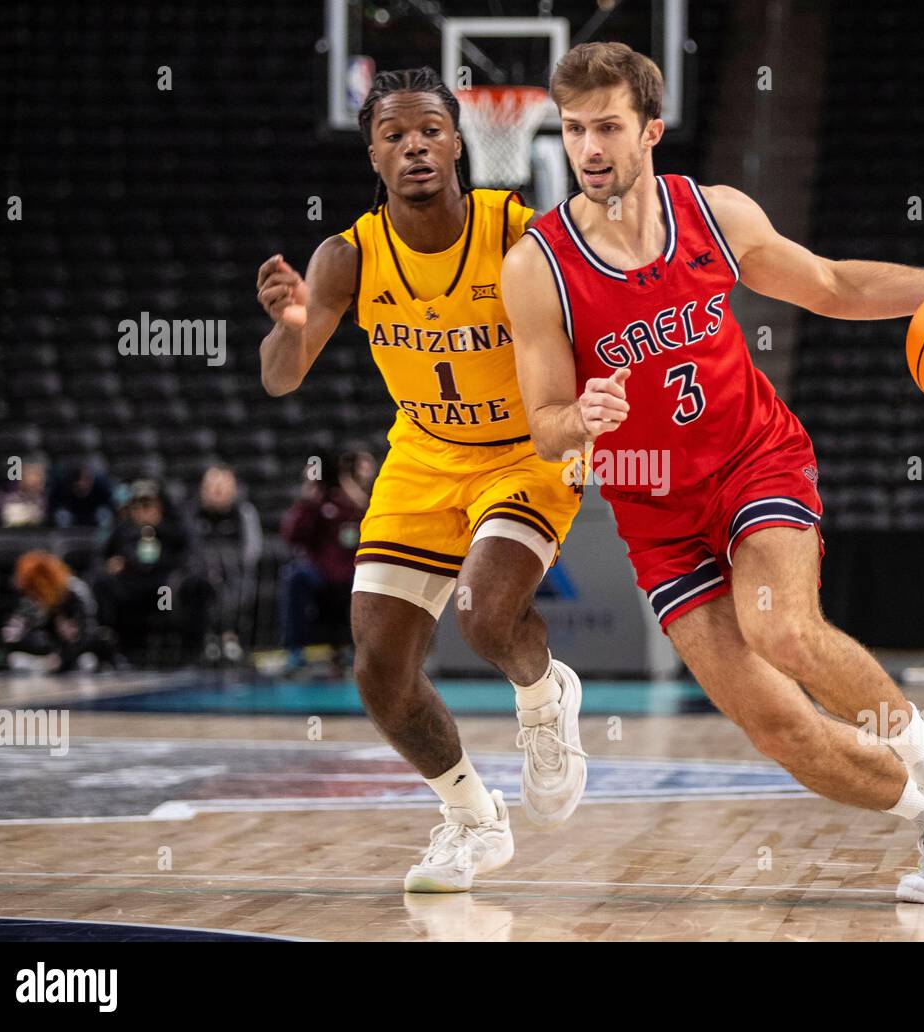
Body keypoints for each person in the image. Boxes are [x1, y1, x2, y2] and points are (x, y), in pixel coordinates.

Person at [503, 42, 924, 905]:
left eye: (607, 126)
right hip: (656, 514)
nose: (589, 147)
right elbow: (545, 430)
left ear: (651, 131)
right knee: (778, 724)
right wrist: (581, 420)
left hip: (755, 459)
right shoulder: (537, 265)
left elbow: (830, 284)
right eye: (572, 129)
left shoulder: (713, 214)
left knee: (781, 629)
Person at [256, 68, 587, 893]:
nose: (415, 147)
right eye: (396, 134)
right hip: (424, 455)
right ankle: (473, 819)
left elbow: (591, 327)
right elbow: (280, 379)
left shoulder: (519, 233)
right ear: (372, 151)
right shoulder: (347, 255)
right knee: (377, 665)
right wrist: (289, 329)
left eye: (431, 130)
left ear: (458, 139)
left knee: (482, 613)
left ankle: (545, 700)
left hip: (525, 451)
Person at [278, 450, 374, 672]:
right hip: (319, 572)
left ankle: (355, 649)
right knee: (296, 576)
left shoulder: (353, 502)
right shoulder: (314, 503)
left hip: (351, 572)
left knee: (367, 581)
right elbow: (292, 535)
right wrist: (307, 501)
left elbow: (372, 524)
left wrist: (348, 488)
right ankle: (295, 651)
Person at [92, 480, 209, 659]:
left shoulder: (173, 529)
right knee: (104, 584)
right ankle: (112, 643)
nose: (144, 510)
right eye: (139, 505)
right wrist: (111, 564)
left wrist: (157, 527)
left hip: (164, 586)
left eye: (149, 504)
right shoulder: (124, 530)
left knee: (172, 595)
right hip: (131, 586)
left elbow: (190, 555)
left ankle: (175, 643)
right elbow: (101, 557)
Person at [186, 464, 262, 663]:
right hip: (201, 574)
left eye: (222, 486)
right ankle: (207, 638)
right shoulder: (192, 513)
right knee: (193, 583)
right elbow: (189, 548)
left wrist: (232, 566)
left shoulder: (244, 512)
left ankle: (230, 636)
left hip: (235, 572)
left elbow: (252, 550)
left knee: (236, 580)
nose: (217, 491)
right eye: (212, 486)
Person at [1, 551, 111, 673]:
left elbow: (91, 632)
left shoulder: (76, 591)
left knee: (87, 661)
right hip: (50, 655)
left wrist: (68, 645)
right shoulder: (32, 598)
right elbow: (13, 636)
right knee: (15, 660)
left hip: (76, 652)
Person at [0, 455, 48, 527]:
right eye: (33, 474)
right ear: (22, 476)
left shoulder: (44, 501)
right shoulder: (6, 500)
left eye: (40, 476)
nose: (36, 480)